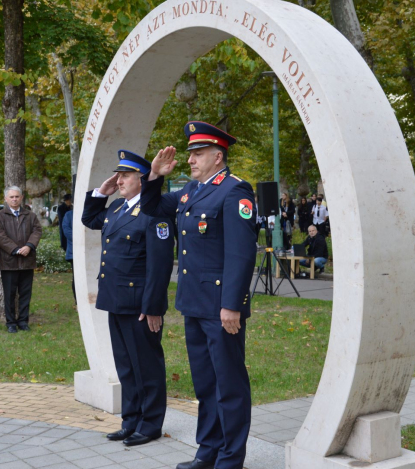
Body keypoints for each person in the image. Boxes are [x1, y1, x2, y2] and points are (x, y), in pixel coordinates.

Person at [140, 122, 256, 469]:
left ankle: (231, 458)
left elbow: (240, 254)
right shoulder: (191, 191)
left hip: (221, 308)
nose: (190, 159)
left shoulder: (235, 191)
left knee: (229, 385)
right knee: (205, 384)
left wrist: (232, 305)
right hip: (194, 303)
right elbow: (153, 208)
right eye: (190, 153)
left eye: (198, 154)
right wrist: (154, 176)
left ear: (218, 156)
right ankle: (208, 450)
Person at [82, 150, 175, 448]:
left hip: (139, 305)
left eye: (125, 176)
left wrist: (153, 307)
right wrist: (101, 192)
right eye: (118, 175)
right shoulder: (118, 207)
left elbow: (160, 266)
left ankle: (150, 425)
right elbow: (89, 218)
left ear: (143, 179)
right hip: (116, 300)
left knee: (146, 366)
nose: (119, 180)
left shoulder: (153, 212)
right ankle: (131, 420)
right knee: (126, 366)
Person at [0, 186, 43, 333]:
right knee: (9, 294)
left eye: (17, 196)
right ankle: (10, 323)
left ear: (21, 198)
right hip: (9, 262)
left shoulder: (30, 215)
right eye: (11, 197)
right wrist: (15, 249)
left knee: (25, 293)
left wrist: (29, 246)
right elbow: (0, 237)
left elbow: (37, 231)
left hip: (27, 261)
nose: (14, 199)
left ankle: (23, 321)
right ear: (6, 199)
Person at [62, 207, 76, 303]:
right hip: (74, 253)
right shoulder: (69, 215)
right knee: (77, 277)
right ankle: (77, 300)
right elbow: (67, 231)